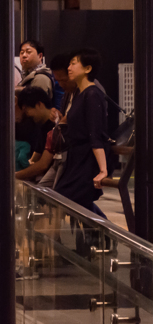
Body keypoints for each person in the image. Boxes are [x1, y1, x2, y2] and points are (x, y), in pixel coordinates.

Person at [54, 49, 109, 217]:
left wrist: (103, 169)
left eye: (74, 63)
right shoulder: (79, 94)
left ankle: (104, 234)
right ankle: (101, 237)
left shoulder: (92, 94)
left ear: (88, 69)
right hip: (76, 158)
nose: (69, 67)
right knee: (75, 203)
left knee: (63, 199)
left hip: (86, 160)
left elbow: (95, 134)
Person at [14, 87, 62, 182]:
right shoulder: (41, 126)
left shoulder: (55, 125)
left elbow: (43, 165)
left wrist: (14, 176)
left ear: (39, 104)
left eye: (27, 110)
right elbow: (35, 158)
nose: (26, 114)